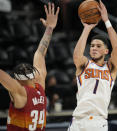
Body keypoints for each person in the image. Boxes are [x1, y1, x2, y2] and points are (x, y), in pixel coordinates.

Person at [0, 3, 59, 131]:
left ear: (17, 80)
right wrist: (50, 28)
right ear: (33, 75)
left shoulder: (20, 92)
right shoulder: (40, 85)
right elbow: (40, 53)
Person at [68, 0, 117, 131]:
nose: (94, 48)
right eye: (92, 46)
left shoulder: (110, 68)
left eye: (98, 46)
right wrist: (87, 28)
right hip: (78, 121)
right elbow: (76, 55)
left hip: (98, 122)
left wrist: (107, 21)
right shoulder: (84, 64)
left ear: (106, 51)